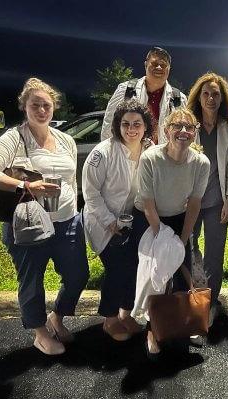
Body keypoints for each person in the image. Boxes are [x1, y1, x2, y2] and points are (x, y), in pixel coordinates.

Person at [0, 78, 89, 355]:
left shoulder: (65, 140)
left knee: (78, 275)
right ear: (24, 107)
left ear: (54, 108)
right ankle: (40, 333)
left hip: (67, 221)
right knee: (32, 280)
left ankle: (57, 318)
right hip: (28, 223)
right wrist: (25, 185)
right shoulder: (13, 139)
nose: (41, 110)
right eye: (35, 105)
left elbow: (70, 180)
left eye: (46, 105)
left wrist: (75, 210)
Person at [134, 107, 210, 355]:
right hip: (151, 219)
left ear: (195, 134)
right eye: (177, 126)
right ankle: (151, 330)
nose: (183, 131)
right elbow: (147, 203)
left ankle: (180, 324)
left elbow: (195, 204)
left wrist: (181, 242)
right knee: (153, 277)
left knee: (181, 272)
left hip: (179, 220)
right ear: (166, 131)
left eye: (189, 127)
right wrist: (164, 242)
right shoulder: (150, 158)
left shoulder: (201, 163)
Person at [82, 99, 152, 341]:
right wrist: (109, 222)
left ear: (145, 127)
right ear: (117, 125)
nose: (131, 129)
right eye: (125, 124)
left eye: (137, 124)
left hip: (130, 222)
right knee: (117, 267)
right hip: (102, 221)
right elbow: (90, 193)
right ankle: (110, 319)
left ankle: (126, 313)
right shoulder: (103, 152)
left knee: (133, 266)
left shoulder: (148, 149)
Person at [187, 72, 228, 325]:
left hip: (217, 202)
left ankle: (210, 303)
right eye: (206, 93)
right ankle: (190, 297)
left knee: (215, 254)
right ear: (198, 97)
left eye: (216, 94)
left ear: (223, 98)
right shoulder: (188, 126)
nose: (210, 98)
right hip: (189, 202)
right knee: (188, 249)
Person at [100, 46, 187, 145]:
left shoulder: (179, 99)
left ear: (169, 68)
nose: (159, 67)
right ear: (146, 65)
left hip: (164, 157)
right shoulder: (125, 90)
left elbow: (187, 132)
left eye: (163, 65)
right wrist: (110, 155)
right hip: (129, 155)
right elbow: (109, 125)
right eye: (154, 64)